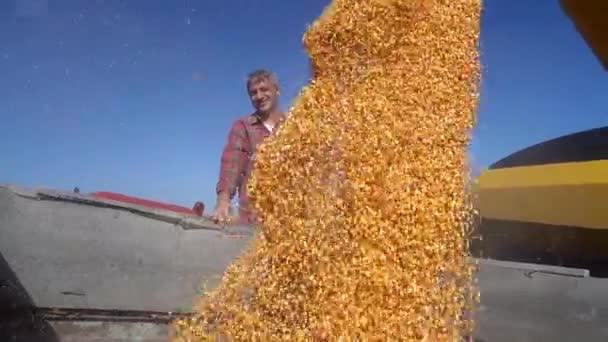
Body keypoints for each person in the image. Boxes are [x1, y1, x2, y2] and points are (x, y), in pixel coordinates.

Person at [211, 69, 286, 225]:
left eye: (264, 89)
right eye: (253, 93)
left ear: (276, 90)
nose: (259, 96)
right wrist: (223, 201)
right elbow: (232, 163)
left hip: (291, 218)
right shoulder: (243, 126)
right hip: (254, 217)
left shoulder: (296, 125)